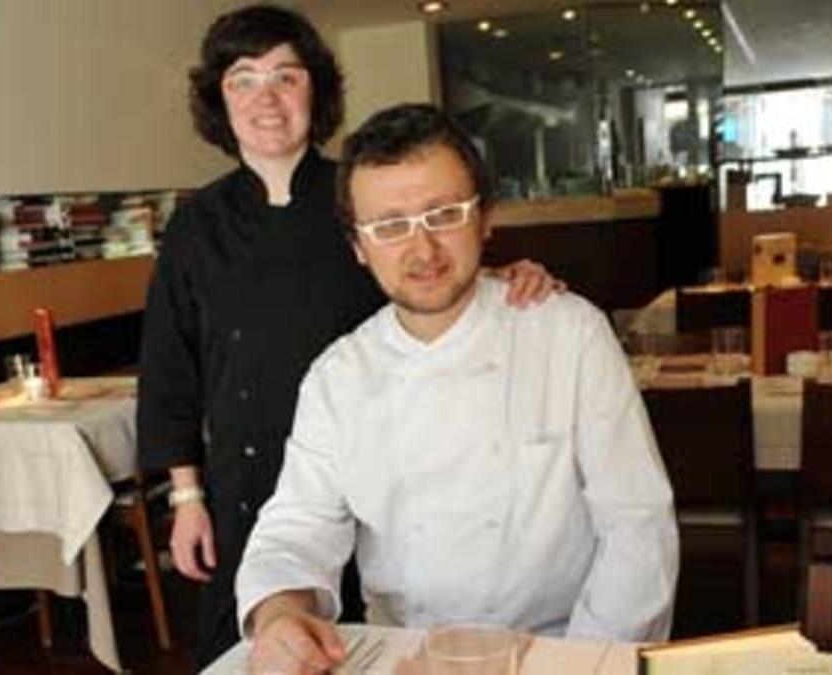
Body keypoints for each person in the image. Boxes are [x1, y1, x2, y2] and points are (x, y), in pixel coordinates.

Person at [136, 6, 558, 668]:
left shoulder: (359, 196)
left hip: (369, 474)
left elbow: (429, 274)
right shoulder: (196, 225)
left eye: (286, 76)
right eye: (243, 79)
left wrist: (511, 275)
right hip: (246, 486)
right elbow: (169, 370)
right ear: (219, 99)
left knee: (365, 645)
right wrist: (187, 498)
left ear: (317, 90)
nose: (266, 99)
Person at [236, 103, 679, 675]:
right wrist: (279, 614)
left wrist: (581, 660)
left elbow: (637, 526)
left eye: (444, 214)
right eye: (390, 226)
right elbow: (298, 525)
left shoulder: (569, 333)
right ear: (357, 245)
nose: (422, 250)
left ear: (485, 218)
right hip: (406, 654)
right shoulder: (337, 377)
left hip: (558, 649)